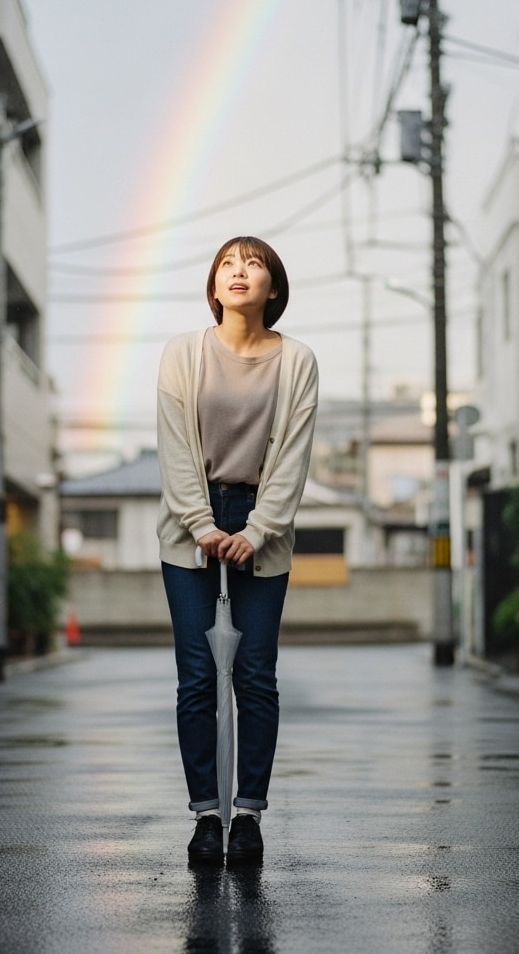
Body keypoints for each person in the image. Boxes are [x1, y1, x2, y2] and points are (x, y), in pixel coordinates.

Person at [156, 235, 319, 864]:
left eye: (253, 264)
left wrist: (256, 531)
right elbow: (174, 447)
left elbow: (293, 457)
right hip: (188, 523)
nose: (239, 272)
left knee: (254, 674)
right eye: (227, 264)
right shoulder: (182, 353)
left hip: (263, 525)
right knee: (198, 677)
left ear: (273, 288)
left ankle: (247, 816)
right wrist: (201, 524)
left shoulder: (297, 360)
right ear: (214, 285)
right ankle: (205, 816)